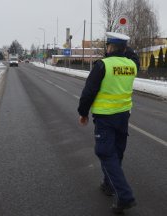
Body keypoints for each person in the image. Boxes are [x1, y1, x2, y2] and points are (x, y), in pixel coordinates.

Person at [77, 32, 140, 214]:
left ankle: (125, 196)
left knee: (105, 152)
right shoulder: (132, 65)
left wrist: (83, 113)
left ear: (109, 47)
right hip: (123, 116)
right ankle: (108, 184)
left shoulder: (102, 65)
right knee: (116, 152)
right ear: (124, 48)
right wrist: (127, 47)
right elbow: (134, 57)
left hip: (105, 118)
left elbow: (88, 92)